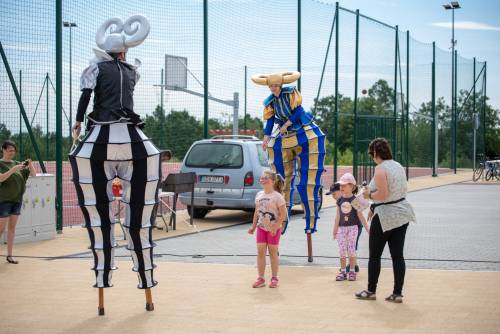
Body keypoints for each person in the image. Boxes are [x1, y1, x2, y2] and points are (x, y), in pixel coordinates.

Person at [69, 15, 161, 294]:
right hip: (134, 142)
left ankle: (102, 276)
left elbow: (86, 96)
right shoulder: (132, 71)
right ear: (124, 51)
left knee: (99, 215)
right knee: (139, 217)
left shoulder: (96, 68)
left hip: (100, 140)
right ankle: (145, 278)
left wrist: (78, 120)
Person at [251, 72, 325, 235]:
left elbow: (299, 112)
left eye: (276, 85)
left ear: (280, 86)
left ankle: (311, 219)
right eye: (271, 86)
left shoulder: (291, 94)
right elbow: (270, 121)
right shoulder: (270, 102)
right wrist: (266, 138)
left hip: (302, 130)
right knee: (283, 177)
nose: (273, 88)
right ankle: (281, 220)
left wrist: (287, 124)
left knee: (307, 180)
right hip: (284, 136)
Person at [355, 138, 416, 303]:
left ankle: (371, 290)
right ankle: (397, 293)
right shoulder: (398, 166)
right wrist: (374, 205)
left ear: (375, 153)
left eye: (371, 155)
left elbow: (382, 195)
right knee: (398, 255)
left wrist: (368, 195)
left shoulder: (380, 169)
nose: (372, 158)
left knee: (374, 255)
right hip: (402, 213)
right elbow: (395, 192)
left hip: (385, 216)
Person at [248, 169, 287, 288]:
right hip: (261, 228)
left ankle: (274, 278)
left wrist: (275, 227)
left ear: (273, 181)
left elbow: (283, 214)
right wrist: (253, 226)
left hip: (273, 229)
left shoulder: (278, 197)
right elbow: (256, 212)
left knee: (273, 252)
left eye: (266, 178)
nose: (263, 180)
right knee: (260, 252)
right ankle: (261, 278)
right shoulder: (259, 195)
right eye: (262, 178)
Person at [0, 140, 36, 264]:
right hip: (4, 200)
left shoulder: (17, 164)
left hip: (17, 200)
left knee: (12, 228)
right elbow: (1, 178)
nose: (12, 153)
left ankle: (9, 255)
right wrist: (13, 169)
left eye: (13, 151)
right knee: (0, 229)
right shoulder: (2, 164)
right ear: (3, 150)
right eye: (10, 150)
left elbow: (33, 175)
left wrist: (30, 164)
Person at [333, 173, 369, 281]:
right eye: (341, 185)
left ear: (352, 186)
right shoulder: (339, 200)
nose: (342, 187)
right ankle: (343, 271)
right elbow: (338, 215)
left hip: (353, 227)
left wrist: (367, 228)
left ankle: (352, 271)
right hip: (341, 229)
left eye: (344, 185)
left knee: (351, 249)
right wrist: (335, 229)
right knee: (342, 250)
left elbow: (360, 215)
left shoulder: (355, 200)